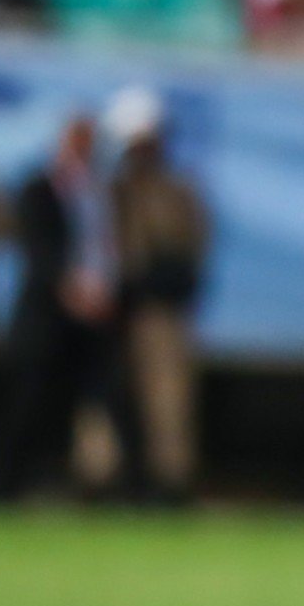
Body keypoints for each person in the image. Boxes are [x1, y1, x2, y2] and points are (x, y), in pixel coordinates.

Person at [0, 115, 140, 498]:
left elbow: (115, 249)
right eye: (76, 142)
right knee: (30, 402)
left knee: (102, 407)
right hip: (46, 318)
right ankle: (7, 485)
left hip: (97, 321)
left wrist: (107, 295)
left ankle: (107, 489)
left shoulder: (107, 192)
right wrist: (70, 289)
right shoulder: (37, 190)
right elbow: (38, 250)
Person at [106, 87, 209, 504]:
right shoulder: (109, 190)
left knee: (168, 401)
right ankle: (109, 479)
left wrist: (155, 282)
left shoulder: (178, 192)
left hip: (161, 311)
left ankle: (171, 482)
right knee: (107, 401)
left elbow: (190, 254)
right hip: (114, 313)